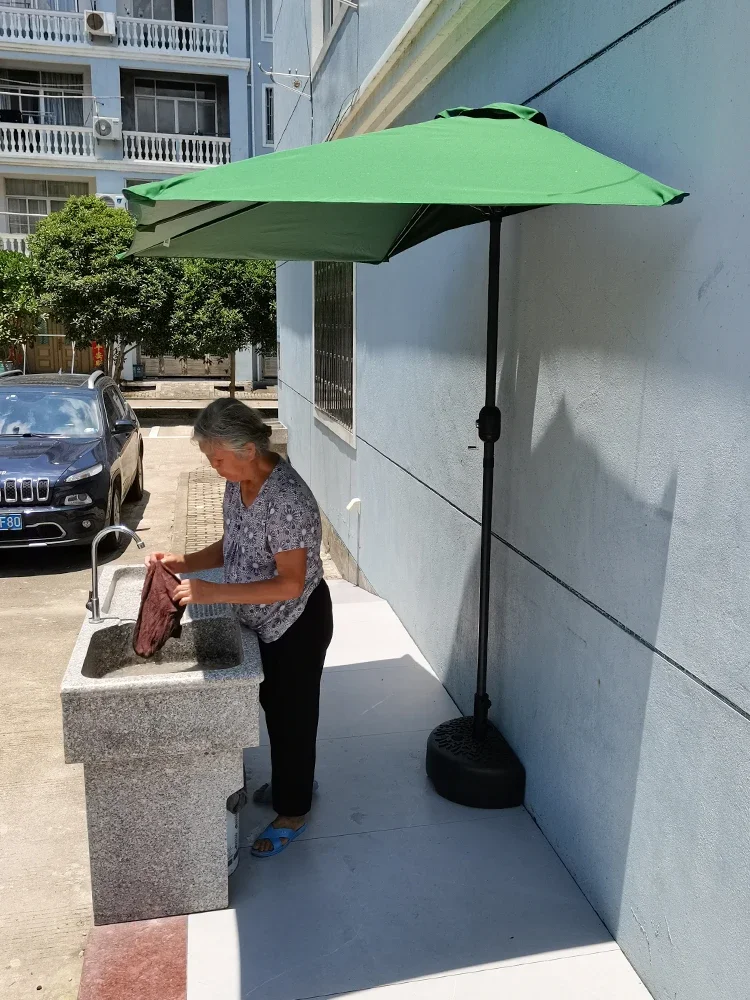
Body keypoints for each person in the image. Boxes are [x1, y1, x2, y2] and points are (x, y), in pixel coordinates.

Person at [146, 398, 333, 858]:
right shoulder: (240, 482)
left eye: (218, 458)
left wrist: (213, 592)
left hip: (296, 622)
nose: (214, 467)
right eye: (210, 459)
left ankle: (294, 811)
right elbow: (232, 544)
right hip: (261, 620)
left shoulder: (286, 499)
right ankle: (293, 780)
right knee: (274, 707)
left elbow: (290, 583)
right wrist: (184, 562)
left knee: (293, 717)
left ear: (249, 449)